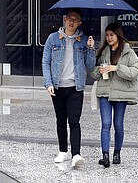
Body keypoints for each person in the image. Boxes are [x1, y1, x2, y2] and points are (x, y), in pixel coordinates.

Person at [42, 10, 96, 169]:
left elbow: (91, 66)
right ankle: (62, 150)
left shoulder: (84, 40)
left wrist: (91, 49)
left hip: (75, 87)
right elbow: (45, 62)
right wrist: (48, 83)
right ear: (64, 20)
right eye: (69, 19)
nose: (71, 22)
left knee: (74, 121)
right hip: (57, 87)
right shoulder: (53, 38)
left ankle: (76, 154)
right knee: (60, 120)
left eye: (76, 20)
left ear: (80, 23)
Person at [90, 22, 138, 168]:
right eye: (106, 35)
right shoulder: (103, 51)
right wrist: (99, 69)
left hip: (121, 94)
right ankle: (105, 155)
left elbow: (136, 70)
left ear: (118, 35)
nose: (108, 38)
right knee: (105, 124)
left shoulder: (127, 51)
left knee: (118, 124)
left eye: (111, 35)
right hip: (105, 92)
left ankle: (117, 153)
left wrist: (116, 68)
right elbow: (93, 73)